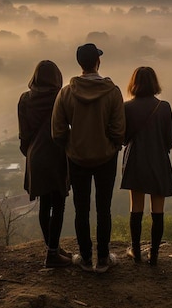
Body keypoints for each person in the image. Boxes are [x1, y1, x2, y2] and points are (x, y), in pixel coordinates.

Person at [51, 43, 125, 273]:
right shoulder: (112, 92)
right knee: (104, 208)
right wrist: (110, 144)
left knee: (81, 208)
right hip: (106, 158)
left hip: (77, 158)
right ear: (97, 62)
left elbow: (58, 131)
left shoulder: (66, 92)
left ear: (79, 63)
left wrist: (72, 144)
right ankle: (103, 259)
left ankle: (84, 257)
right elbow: (119, 130)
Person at [17, 60, 71, 268]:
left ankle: (52, 248)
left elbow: (24, 135)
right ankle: (52, 253)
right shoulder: (61, 97)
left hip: (35, 157)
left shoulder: (24, 100)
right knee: (58, 205)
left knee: (44, 205)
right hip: (57, 154)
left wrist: (31, 154)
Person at [121, 66, 172, 266]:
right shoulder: (164, 107)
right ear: (154, 83)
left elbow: (124, 138)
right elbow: (169, 140)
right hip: (158, 160)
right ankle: (154, 254)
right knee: (157, 210)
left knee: (136, 207)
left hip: (135, 161)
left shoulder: (127, 108)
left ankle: (135, 250)